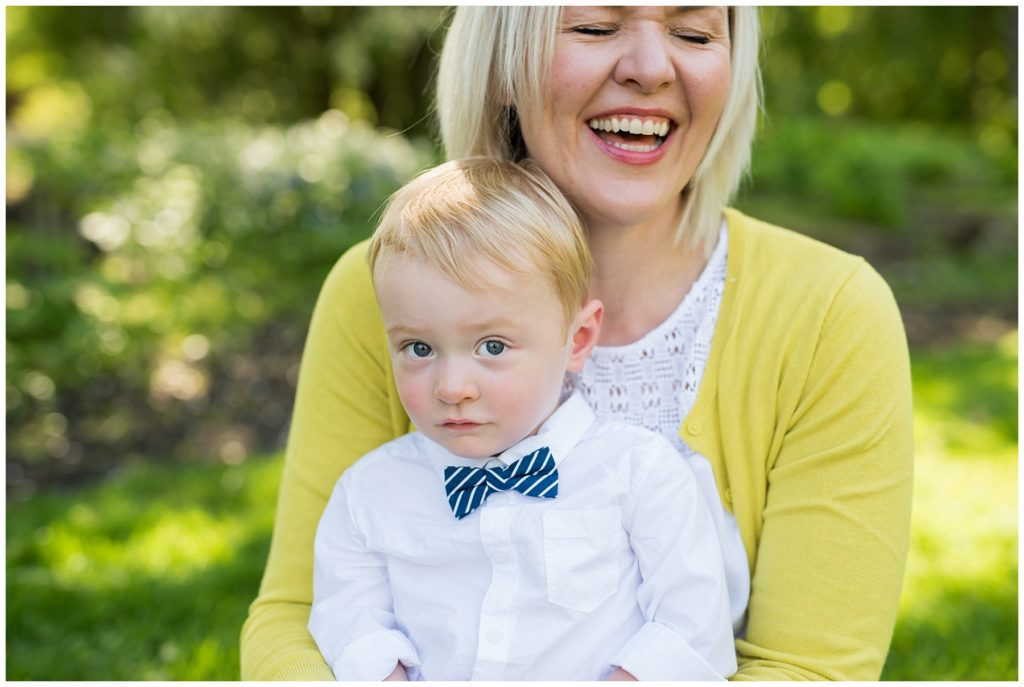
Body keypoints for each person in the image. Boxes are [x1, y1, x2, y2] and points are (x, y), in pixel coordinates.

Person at [242, 7, 914, 681]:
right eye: (595, 26)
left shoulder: (831, 314)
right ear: (503, 64)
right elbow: (301, 617)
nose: (651, 68)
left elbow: (806, 668)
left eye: (693, 32)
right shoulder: (384, 291)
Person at [308, 158, 737, 681]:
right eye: (418, 347)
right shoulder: (369, 494)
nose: (452, 388)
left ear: (577, 339)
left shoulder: (638, 475)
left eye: (492, 346)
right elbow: (347, 618)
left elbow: (694, 627)